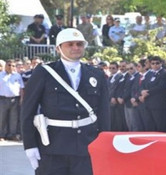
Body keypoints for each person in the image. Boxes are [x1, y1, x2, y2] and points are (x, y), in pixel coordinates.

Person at [21, 28, 110, 174]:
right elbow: (27, 110)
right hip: (53, 147)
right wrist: (30, 145)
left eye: (79, 44)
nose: (75, 48)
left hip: (86, 146)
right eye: (70, 44)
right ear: (58, 48)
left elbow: (104, 112)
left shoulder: (96, 74)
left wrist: (104, 142)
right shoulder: (44, 72)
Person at [141, 56, 166, 131]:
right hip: (148, 103)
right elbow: (144, 84)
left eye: (157, 63)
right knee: (150, 125)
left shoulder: (164, 73)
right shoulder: (149, 74)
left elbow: (161, 87)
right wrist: (142, 92)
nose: (155, 65)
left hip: (158, 104)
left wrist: (148, 92)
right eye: (153, 63)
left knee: (160, 125)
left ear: (161, 63)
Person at [0, 59, 24, 141]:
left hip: (15, 99)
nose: (10, 67)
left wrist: (22, 98)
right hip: (2, 99)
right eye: (9, 65)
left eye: (13, 65)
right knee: (2, 118)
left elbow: (21, 88)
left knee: (14, 118)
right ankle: (2, 135)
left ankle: (12, 135)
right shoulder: (0, 75)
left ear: (15, 67)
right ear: (5, 66)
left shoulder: (17, 76)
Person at [110, 61, 129, 131]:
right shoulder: (111, 77)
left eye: (123, 66)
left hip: (121, 101)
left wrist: (115, 97)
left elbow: (124, 89)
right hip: (113, 101)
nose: (122, 68)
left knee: (123, 121)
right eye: (121, 66)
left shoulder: (123, 76)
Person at [122, 63, 140, 131]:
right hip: (127, 102)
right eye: (128, 69)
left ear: (136, 67)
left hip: (132, 101)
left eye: (131, 68)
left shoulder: (138, 76)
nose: (129, 70)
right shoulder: (129, 77)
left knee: (134, 122)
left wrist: (134, 98)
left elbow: (134, 89)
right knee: (129, 122)